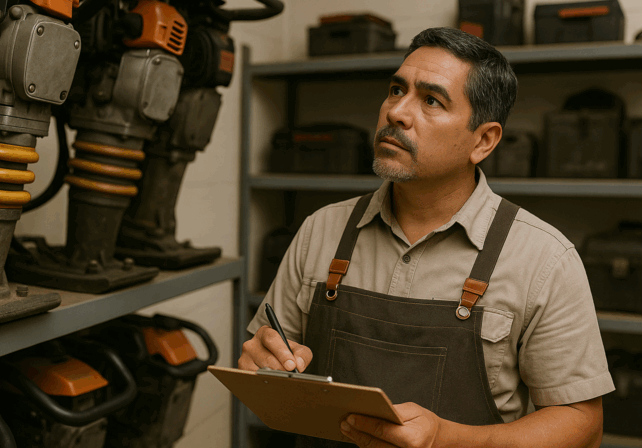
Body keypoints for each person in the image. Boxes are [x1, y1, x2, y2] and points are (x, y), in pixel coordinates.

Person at [240, 27, 614, 448]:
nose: (397, 112)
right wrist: (263, 364)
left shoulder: (545, 258)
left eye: (431, 100)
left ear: (483, 140)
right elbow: (268, 361)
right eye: (396, 90)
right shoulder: (320, 229)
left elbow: (582, 425)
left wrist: (448, 439)